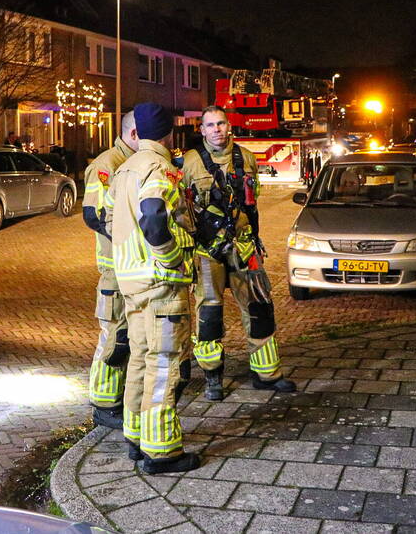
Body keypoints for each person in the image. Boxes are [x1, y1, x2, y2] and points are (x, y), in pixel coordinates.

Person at [104, 103, 199, 474]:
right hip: (161, 283)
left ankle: (135, 435)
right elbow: (155, 218)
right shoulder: (159, 168)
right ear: (169, 134)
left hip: (132, 283)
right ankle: (161, 452)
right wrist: (171, 256)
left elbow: (109, 220)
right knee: (164, 363)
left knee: (141, 359)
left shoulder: (124, 168)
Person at [181, 106, 297, 400]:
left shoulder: (245, 158)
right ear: (202, 130)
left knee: (259, 308)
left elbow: (251, 203)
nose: (217, 129)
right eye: (210, 125)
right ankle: (212, 377)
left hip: (244, 246)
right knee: (209, 313)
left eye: (221, 123)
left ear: (228, 126)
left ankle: (267, 374)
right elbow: (182, 208)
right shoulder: (190, 163)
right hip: (207, 251)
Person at [81, 112, 138, 430]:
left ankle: (118, 396)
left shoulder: (132, 161)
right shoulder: (108, 164)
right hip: (115, 268)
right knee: (114, 336)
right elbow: (93, 214)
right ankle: (104, 404)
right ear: (134, 134)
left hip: (130, 267)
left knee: (128, 335)